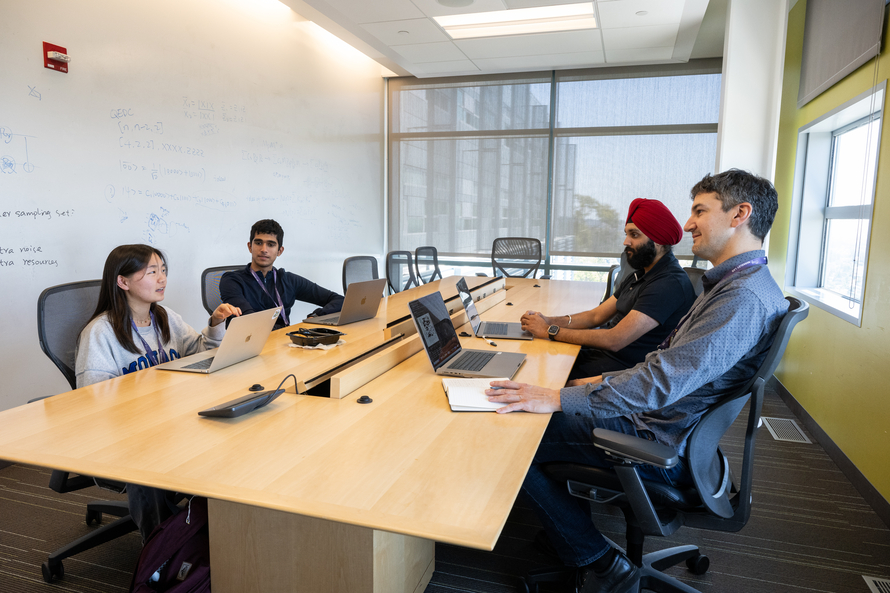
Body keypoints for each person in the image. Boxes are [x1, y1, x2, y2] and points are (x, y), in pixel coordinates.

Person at [486, 170, 789, 593]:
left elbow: (658, 384)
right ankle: (568, 532)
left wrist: (558, 396)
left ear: (740, 214)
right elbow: (662, 366)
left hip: (659, 437)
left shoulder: (741, 300)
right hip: (670, 425)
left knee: (511, 433)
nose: (687, 225)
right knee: (540, 408)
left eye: (700, 211)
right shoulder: (736, 285)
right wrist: (592, 383)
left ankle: (600, 560)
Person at [75, 244, 241, 540]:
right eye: (152, 272)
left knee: (229, 431)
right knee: (148, 466)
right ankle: (161, 549)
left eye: (163, 271)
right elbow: (92, 402)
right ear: (122, 282)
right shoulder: (101, 333)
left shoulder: (165, 317)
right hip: (126, 437)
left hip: (170, 424)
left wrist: (215, 325)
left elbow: (200, 352)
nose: (162, 278)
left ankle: (212, 527)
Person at [520, 198, 695, 382]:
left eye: (634, 235)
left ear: (658, 241)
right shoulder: (640, 274)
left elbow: (615, 340)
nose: (626, 242)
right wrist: (548, 320)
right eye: (626, 234)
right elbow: (595, 317)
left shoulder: (668, 284)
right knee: (532, 361)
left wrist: (550, 330)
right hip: (602, 356)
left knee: (538, 376)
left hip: (622, 372)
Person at [219, 219, 344, 330]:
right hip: (247, 346)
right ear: (250, 246)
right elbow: (250, 321)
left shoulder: (288, 280)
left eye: (271, 244)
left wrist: (315, 317)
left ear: (280, 251)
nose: (264, 249)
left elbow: (340, 300)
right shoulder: (232, 280)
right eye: (258, 243)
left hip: (283, 345)